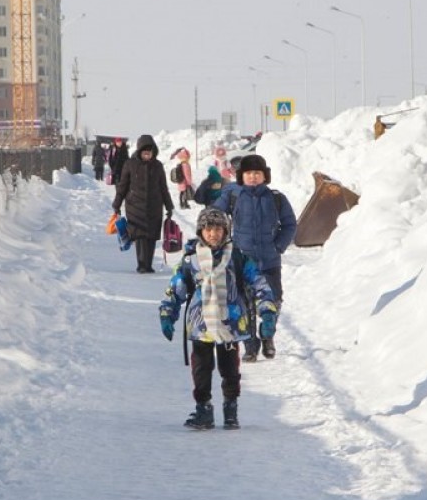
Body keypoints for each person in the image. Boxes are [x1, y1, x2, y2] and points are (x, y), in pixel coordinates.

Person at [159, 207, 278, 430]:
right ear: (200, 232)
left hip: (230, 324)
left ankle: (230, 408)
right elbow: (177, 288)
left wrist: (267, 311)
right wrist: (168, 313)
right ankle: (203, 408)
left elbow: (259, 284)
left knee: (230, 369)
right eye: (208, 229)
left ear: (226, 231)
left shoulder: (237, 258)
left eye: (218, 229)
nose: (213, 234)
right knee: (201, 368)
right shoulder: (191, 260)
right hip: (201, 324)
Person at [212, 153, 296, 362]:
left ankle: (268, 336)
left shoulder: (276, 198)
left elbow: (290, 224)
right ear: (242, 176)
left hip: (269, 261)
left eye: (257, 173)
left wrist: (278, 246)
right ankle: (250, 346)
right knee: (244, 305)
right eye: (249, 173)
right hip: (242, 261)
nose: (253, 177)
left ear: (264, 176)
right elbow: (214, 217)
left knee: (273, 302)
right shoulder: (233, 196)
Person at [112, 134, 174, 273]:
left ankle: (148, 264)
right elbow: (122, 186)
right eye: (145, 152)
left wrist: (169, 206)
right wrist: (117, 204)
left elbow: (163, 187)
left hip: (154, 206)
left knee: (151, 236)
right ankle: (141, 264)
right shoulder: (130, 164)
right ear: (140, 151)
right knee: (139, 236)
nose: (147, 154)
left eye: (150, 152)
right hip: (135, 207)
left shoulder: (157, 166)